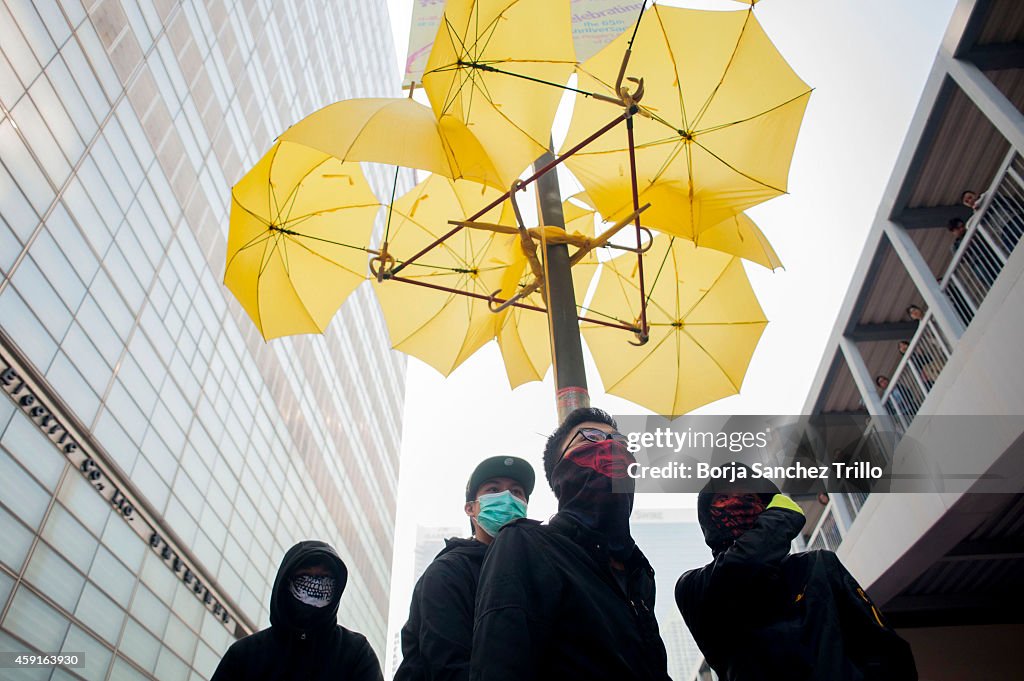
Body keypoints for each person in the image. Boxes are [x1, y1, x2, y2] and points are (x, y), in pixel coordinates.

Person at [470, 407, 670, 681]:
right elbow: (500, 665)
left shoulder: (639, 574)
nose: (611, 446)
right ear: (559, 473)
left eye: (620, 442)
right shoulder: (525, 544)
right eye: (589, 437)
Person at [675, 467, 917, 680]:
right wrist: (786, 513)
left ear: (765, 505)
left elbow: (884, 648)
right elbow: (747, 564)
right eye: (724, 498)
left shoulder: (819, 564)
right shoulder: (695, 587)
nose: (737, 501)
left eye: (747, 495)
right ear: (708, 517)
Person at [395, 455, 536, 681]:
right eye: (493, 490)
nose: (507, 498)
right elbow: (446, 665)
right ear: (471, 508)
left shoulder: (536, 570)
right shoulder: (446, 573)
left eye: (517, 492)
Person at [211, 540, 382, 681]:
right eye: (306, 574)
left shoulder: (355, 653)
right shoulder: (245, 655)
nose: (316, 582)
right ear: (286, 581)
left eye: (325, 577)